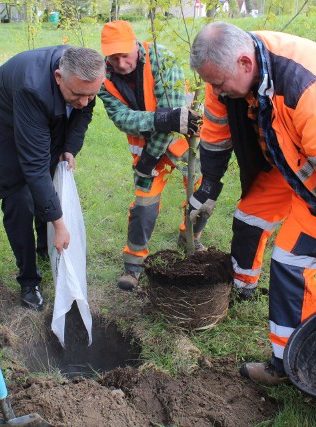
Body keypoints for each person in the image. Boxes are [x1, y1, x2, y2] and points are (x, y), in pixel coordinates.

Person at [189, 22, 316, 385]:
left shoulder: (309, 85)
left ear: (245, 63)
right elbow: (216, 135)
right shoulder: (222, 71)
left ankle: (289, 363)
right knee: (249, 216)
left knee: (291, 262)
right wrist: (207, 188)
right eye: (212, 84)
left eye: (220, 84)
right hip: (286, 158)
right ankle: (243, 286)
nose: (216, 91)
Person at [0, 46, 105, 311]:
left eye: (92, 95)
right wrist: (59, 223)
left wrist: (69, 147)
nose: (84, 102)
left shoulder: (87, 76)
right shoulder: (32, 89)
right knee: (19, 199)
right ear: (58, 77)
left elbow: (83, 114)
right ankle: (29, 280)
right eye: (78, 95)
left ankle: (44, 247)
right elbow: (33, 166)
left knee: (47, 172)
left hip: (33, 118)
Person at [97, 20, 202, 291]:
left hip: (181, 145)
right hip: (146, 151)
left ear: (136, 45)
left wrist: (148, 160)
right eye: (114, 57)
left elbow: (177, 120)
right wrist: (163, 119)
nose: (120, 63)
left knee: (202, 194)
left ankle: (190, 236)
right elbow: (123, 119)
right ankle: (133, 266)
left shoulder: (163, 58)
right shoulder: (102, 77)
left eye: (125, 55)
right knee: (144, 206)